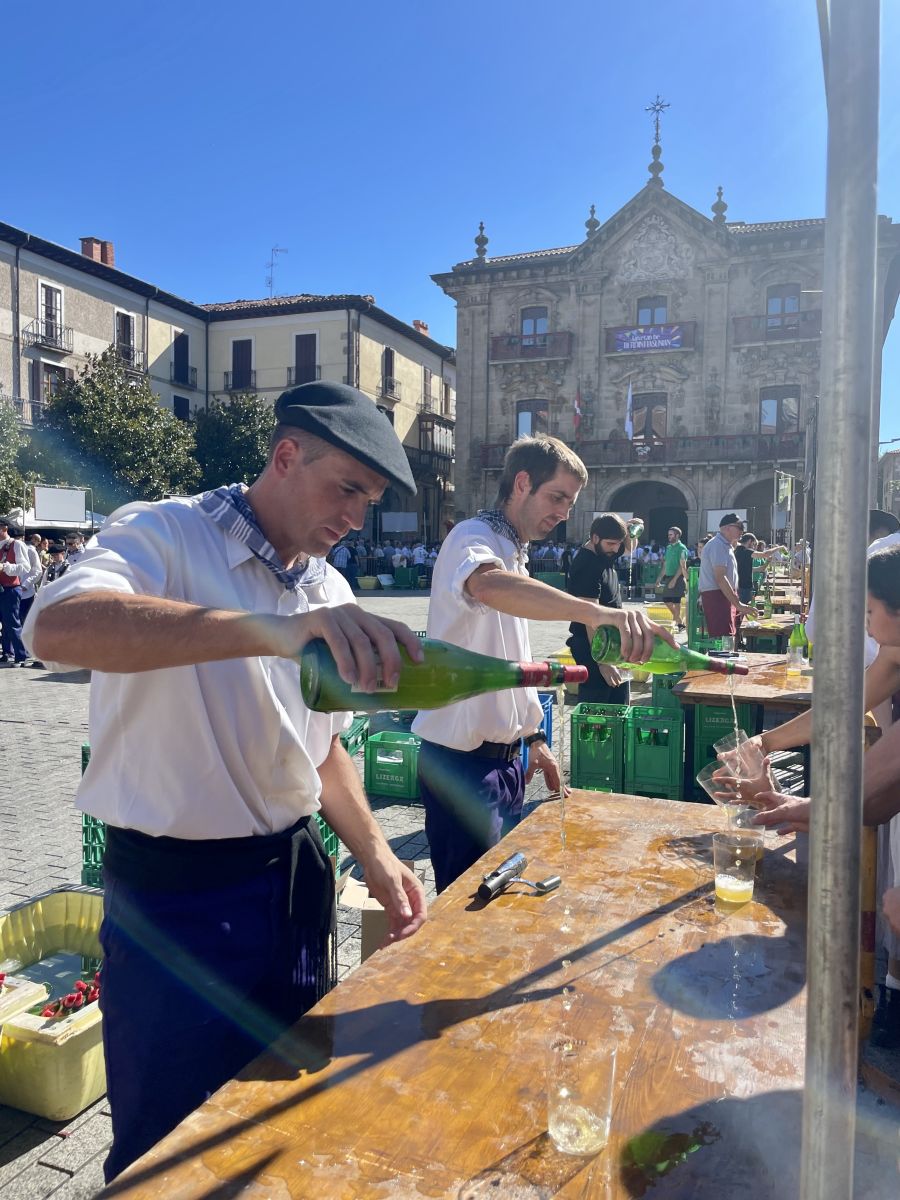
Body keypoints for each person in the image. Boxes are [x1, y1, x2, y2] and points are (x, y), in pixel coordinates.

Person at [24, 380, 428, 1181]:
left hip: (293, 883)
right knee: (162, 1145)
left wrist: (378, 858)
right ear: (285, 455)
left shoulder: (328, 587)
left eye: (370, 499)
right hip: (174, 898)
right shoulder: (169, 532)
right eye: (346, 487)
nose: (355, 516)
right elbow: (55, 627)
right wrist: (273, 633)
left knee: (275, 1118)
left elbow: (321, 750)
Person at [413, 436, 672, 893]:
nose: (563, 513)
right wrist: (597, 612)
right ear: (521, 483)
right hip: (460, 766)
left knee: (502, 899)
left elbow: (511, 658)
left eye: (570, 503)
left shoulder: (514, 550)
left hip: (508, 763)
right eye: (556, 497)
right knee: (468, 912)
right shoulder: (471, 536)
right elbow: (488, 586)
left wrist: (533, 737)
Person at [739, 544, 900, 1045]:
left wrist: (810, 809)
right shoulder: (896, 652)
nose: (867, 628)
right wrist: (765, 741)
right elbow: (844, 704)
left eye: (870, 612)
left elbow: (879, 779)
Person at [566, 513, 634, 705]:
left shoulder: (603, 551)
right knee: (598, 707)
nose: (616, 549)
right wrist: (602, 662)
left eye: (618, 543)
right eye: (611, 544)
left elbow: (629, 548)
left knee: (619, 703)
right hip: (592, 647)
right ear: (595, 538)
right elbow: (590, 616)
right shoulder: (587, 565)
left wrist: (630, 530)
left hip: (610, 642)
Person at [698, 513, 752, 639]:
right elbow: (720, 578)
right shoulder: (718, 545)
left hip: (723, 595)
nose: (742, 530)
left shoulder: (724, 545)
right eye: (739, 527)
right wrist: (738, 604)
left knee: (727, 637)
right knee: (723, 640)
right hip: (717, 596)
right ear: (727, 528)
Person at [0, 517, 31, 665]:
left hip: (10, 588)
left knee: (12, 622)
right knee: (4, 623)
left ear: (4, 528)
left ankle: (21, 655)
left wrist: (6, 567)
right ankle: (7, 652)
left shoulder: (16, 544)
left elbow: (26, 567)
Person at [658, 525, 689, 629]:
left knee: (676, 601)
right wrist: (659, 578)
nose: (669, 536)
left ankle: (676, 624)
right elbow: (666, 564)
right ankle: (679, 622)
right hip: (668, 577)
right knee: (666, 600)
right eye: (668, 535)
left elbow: (682, 566)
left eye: (671, 535)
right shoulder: (669, 547)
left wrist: (675, 580)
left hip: (678, 577)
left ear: (677, 535)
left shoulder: (682, 548)